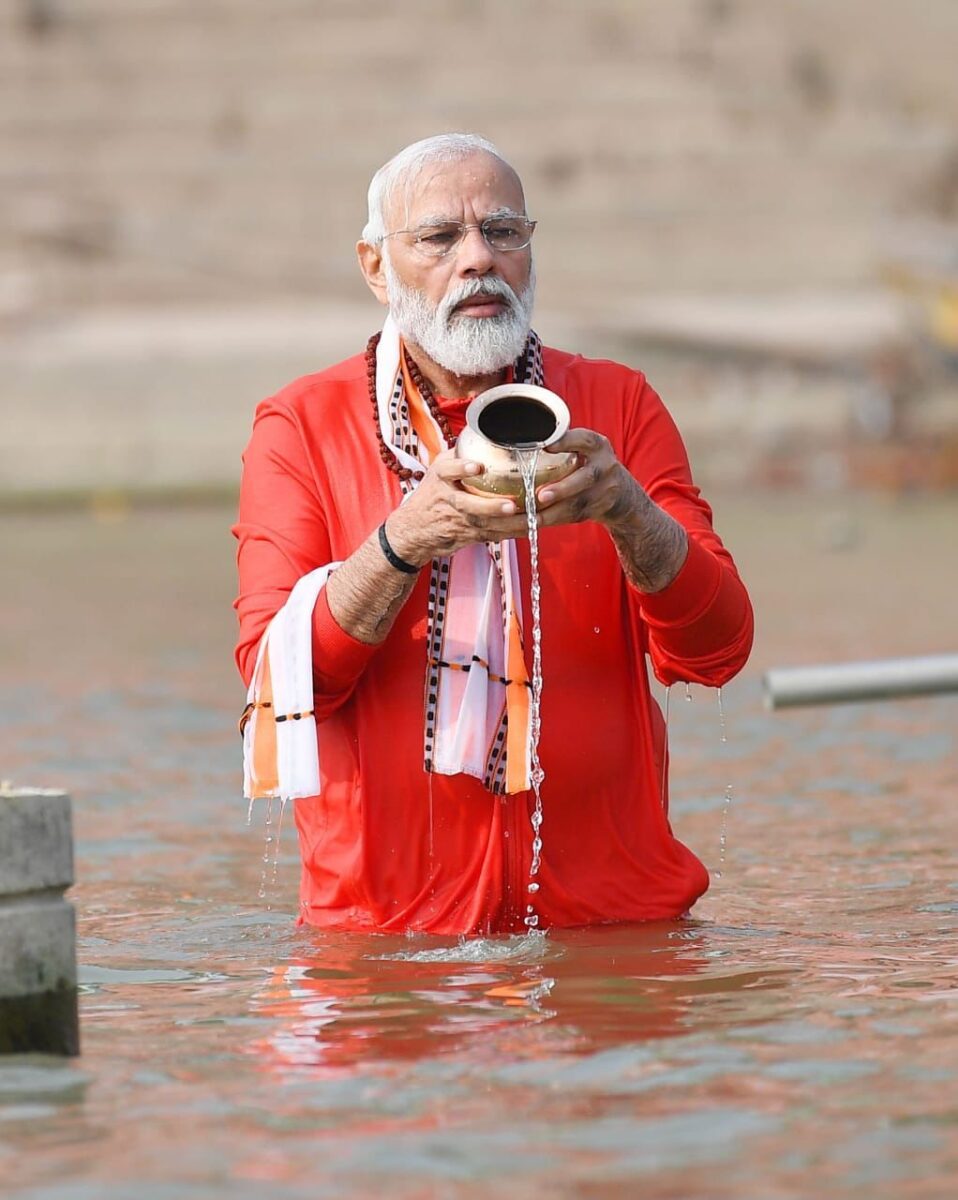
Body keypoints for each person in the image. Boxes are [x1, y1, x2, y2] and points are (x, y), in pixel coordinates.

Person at [233, 133, 753, 935]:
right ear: (376, 267)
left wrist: (627, 510)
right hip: (390, 941)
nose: (478, 259)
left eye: (504, 232)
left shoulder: (616, 406)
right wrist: (405, 539)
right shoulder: (301, 426)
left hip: (614, 933)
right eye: (439, 238)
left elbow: (718, 651)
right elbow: (281, 683)